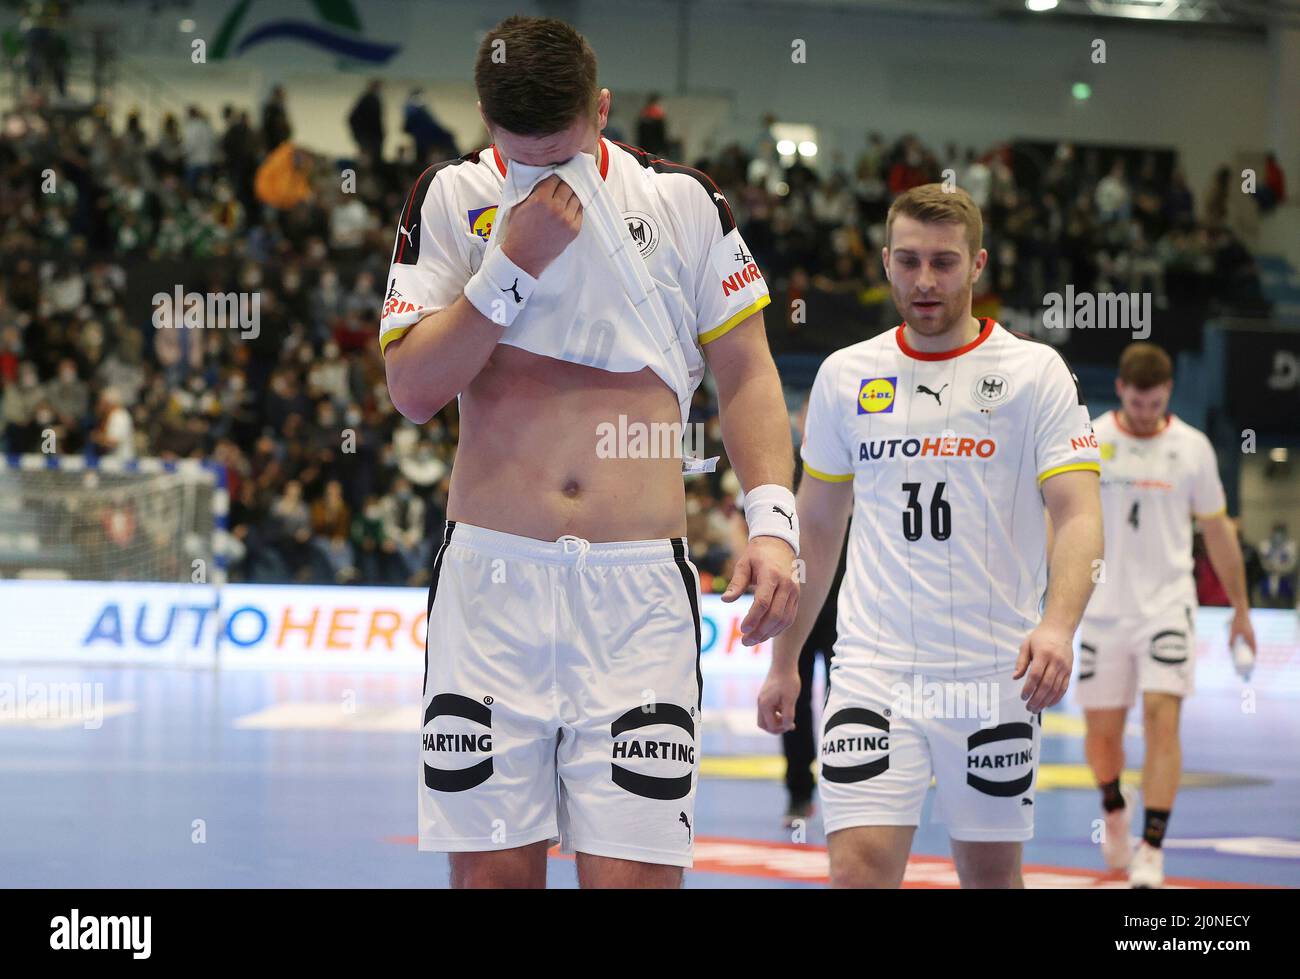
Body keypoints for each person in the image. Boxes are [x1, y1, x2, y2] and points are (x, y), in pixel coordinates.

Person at [381, 15, 799, 889]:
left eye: (561, 149)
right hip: (494, 587)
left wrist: (772, 523)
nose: (542, 173)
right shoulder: (450, 197)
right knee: (491, 880)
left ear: (602, 110)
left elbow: (749, 372)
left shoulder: (682, 200)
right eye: (520, 153)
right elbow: (414, 391)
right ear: (488, 123)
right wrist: (509, 267)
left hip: (637, 591)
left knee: (635, 882)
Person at [759, 184, 1103, 888]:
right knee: (857, 871)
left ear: (977, 265)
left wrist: (1059, 624)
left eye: (944, 262)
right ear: (884, 262)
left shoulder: (1035, 373)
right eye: (909, 260)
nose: (924, 280)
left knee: (989, 878)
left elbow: (1077, 511)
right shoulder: (844, 376)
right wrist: (784, 658)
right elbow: (818, 524)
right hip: (873, 669)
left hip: (991, 672)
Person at [1078, 342, 1257, 888]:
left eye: (1154, 404)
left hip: (1167, 607)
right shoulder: (1091, 439)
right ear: (1122, 391)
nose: (1145, 412)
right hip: (1102, 608)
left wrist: (1241, 609)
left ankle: (1152, 847)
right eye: (1137, 402)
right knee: (1102, 736)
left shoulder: (1193, 448)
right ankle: (1113, 805)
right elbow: (1062, 518)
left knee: (1163, 718)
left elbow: (1218, 531)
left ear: (1168, 394)